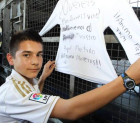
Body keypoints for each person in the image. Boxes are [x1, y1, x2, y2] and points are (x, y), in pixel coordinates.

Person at [0, 29, 140, 123]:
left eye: (39, 55)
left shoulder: (23, 81)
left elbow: (34, 95)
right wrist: (128, 79)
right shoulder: (13, 93)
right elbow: (71, 110)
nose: (36, 62)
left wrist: (42, 78)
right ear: (10, 59)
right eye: (26, 55)